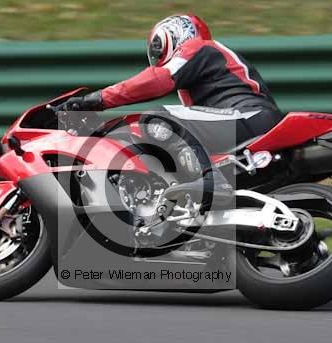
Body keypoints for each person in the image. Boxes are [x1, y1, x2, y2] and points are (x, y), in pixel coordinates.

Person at [62, 14, 283, 208]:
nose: (156, 56)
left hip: (249, 115)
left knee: (156, 118)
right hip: (242, 121)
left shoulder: (198, 47)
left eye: (157, 46)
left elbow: (156, 80)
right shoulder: (199, 71)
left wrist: (96, 100)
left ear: (176, 32)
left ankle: (212, 181)